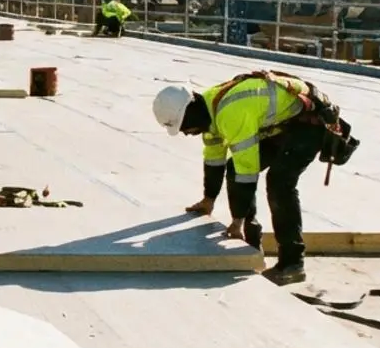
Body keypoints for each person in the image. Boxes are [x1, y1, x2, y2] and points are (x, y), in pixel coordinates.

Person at [152, 70, 356, 287]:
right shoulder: (209, 112)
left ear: (190, 114)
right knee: (233, 168)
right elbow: (214, 161)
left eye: (183, 126)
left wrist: (237, 220)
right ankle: (251, 243)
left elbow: (247, 170)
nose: (185, 133)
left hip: (308, 124)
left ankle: (292, 263)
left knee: (279, 183)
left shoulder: (231, 113)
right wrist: (208, 200)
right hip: (279, 125)